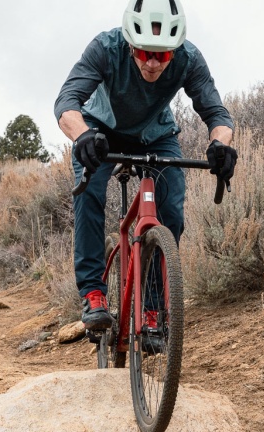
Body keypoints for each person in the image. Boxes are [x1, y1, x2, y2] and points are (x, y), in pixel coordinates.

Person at [54, 0, 237, 331]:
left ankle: (152, 310)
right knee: (89, 192)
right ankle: (93, 293)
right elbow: (67, 103)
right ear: (129, 42)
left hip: (155, 134)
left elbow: (217, 114)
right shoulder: (105, 48)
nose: (153, 63)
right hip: (99, 131)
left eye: (163, 55)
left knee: (171, 208)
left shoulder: (189, 58)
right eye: (143, 53)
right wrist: (82, 136)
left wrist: (220, 144)